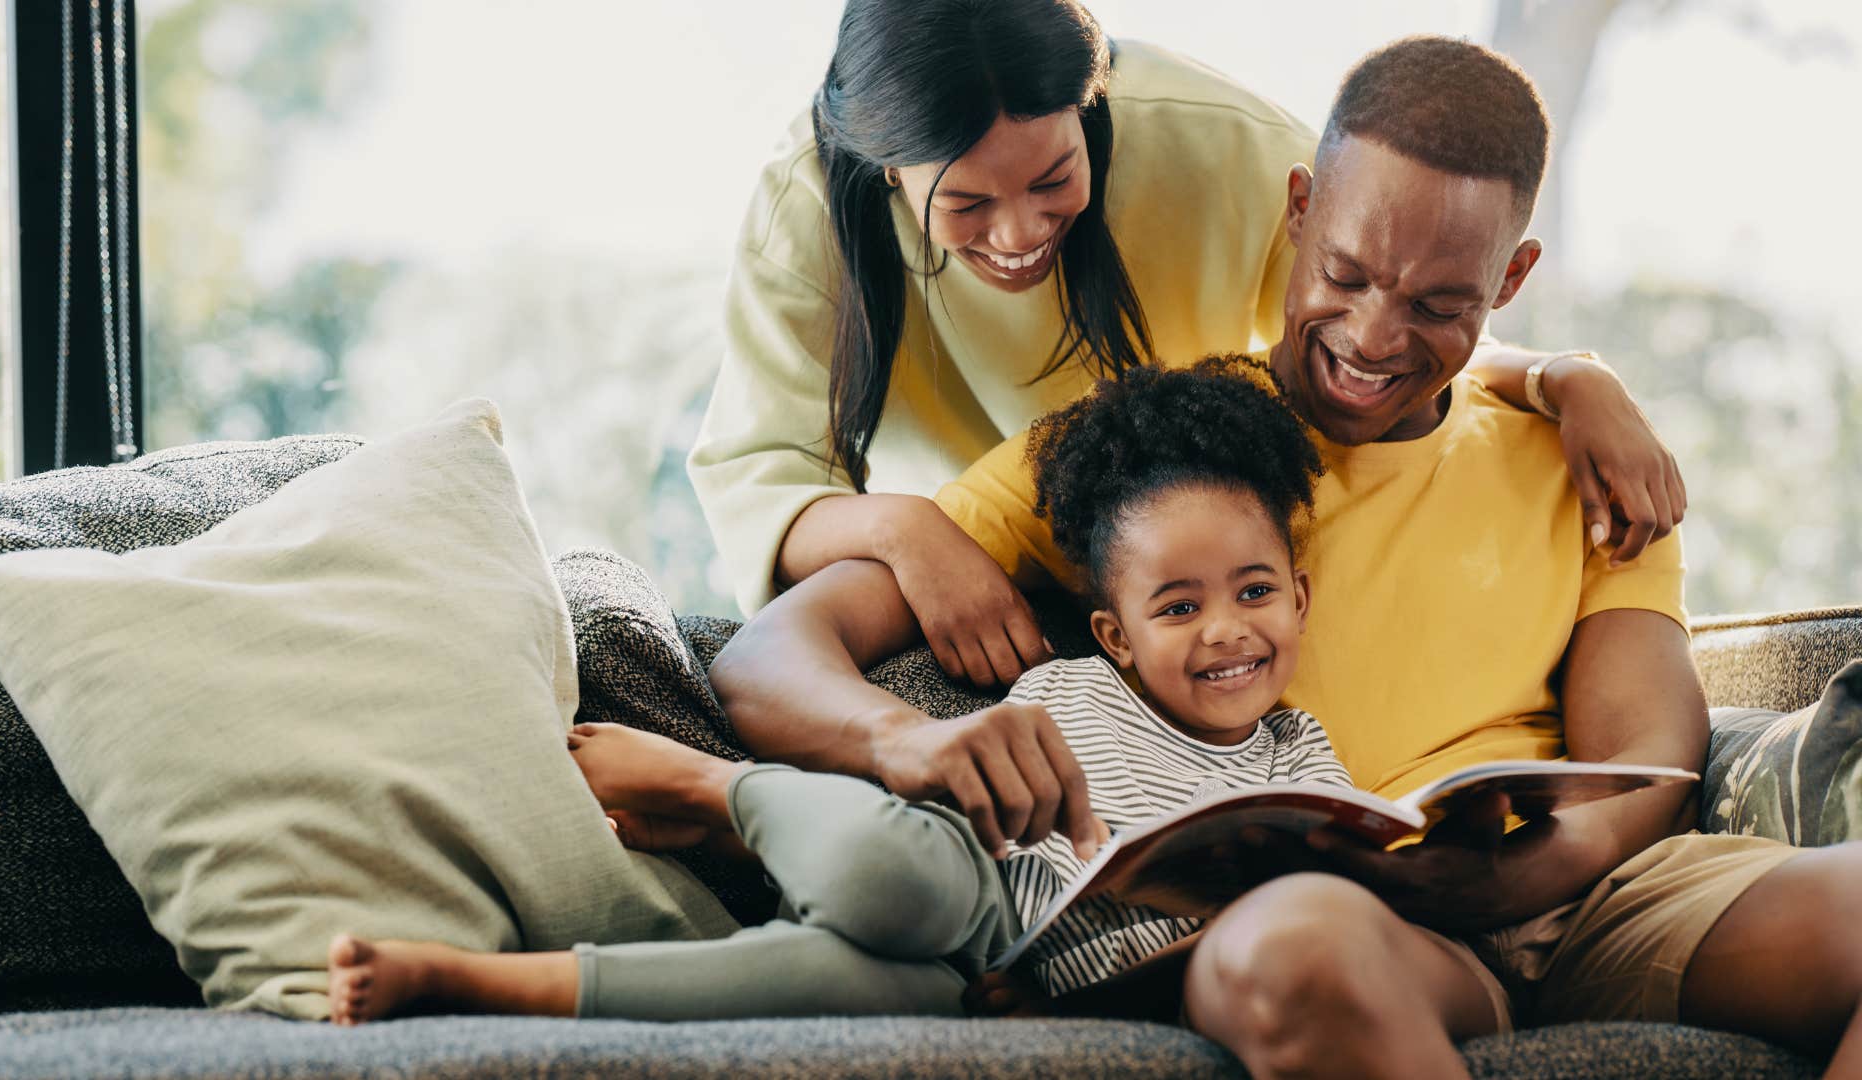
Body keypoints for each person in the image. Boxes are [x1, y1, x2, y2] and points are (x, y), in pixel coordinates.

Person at [709, 35, 1862, 1077]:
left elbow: (1645, 756)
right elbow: (769, 656)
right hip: (1345, 923)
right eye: (1348, 278)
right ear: (1300, 212)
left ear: (1509, 285)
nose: (1372, 338)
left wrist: (1535, 871)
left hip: (1588, 895)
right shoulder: (1151, 454)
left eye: (1435, 305)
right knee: (1287, 949)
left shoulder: (1574, 457)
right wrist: (903, 739)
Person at [688, 0, 1686, 693]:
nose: (1019, 232)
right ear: (889, 177)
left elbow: (1380, 337)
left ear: (1091, 102)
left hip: (1186, 572)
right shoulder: (808, 204)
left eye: (1051, 179)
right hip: (976, 560)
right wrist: (907, 534)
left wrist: (1566, 377)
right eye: (966, 203)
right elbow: (760, 473)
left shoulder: (1224, 143)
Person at [324, 357, 1354, 1023]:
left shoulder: (1300, 756)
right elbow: (939, 824)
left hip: (992, 985)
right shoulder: (1068, 696)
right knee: (905, 884)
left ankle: (471, 983)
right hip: (966, 893)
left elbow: (1337, 912)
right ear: (1114, 637)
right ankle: (714, 791)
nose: (1225, 629)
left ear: (1299, 600)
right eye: (1177, 608)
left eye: (1254, 592)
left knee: (851, 992)